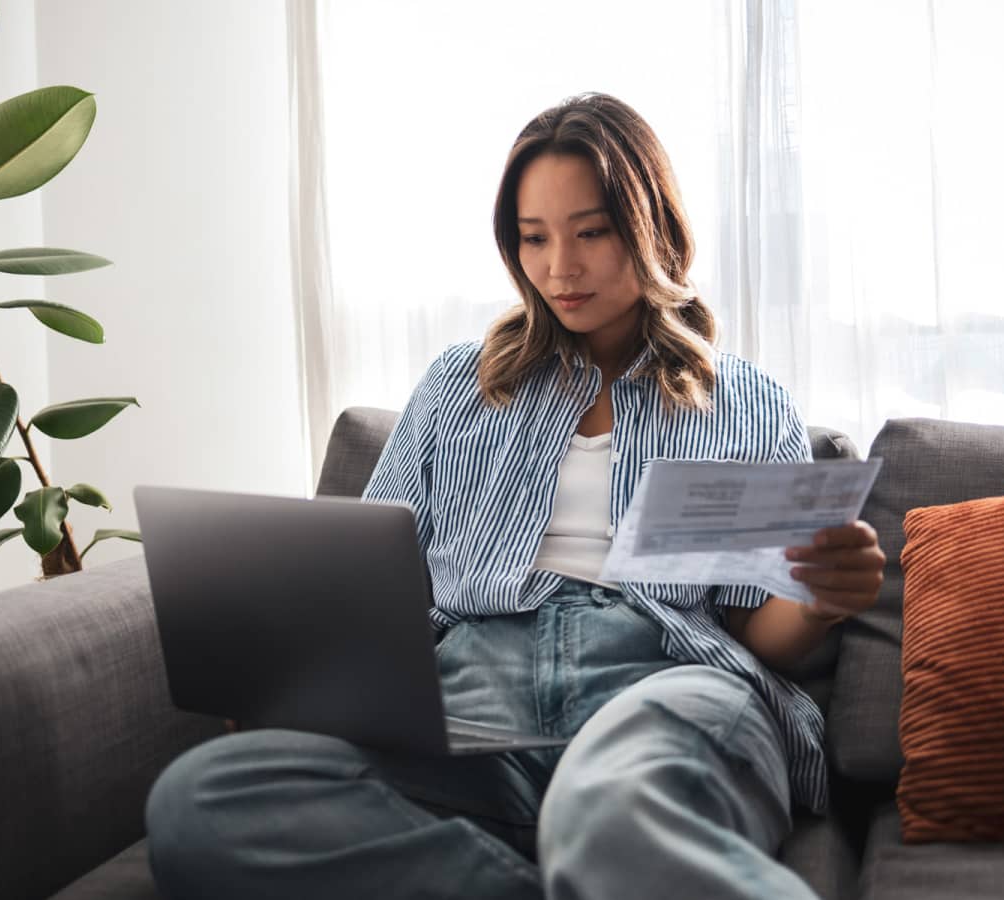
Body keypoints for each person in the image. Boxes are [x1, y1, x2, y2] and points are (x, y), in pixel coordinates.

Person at [144, 92, 885, 900]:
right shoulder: (458, 388)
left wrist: (818, 601)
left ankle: (593, 852)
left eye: (591, 233)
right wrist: (298, 686)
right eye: (534, 239)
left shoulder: (743, 401)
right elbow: (370, 593)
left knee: (607, 812)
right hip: (467, 701)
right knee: (201, 800)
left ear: (652, 228)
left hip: (662, 684)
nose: (559, 268)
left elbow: (755, 629)